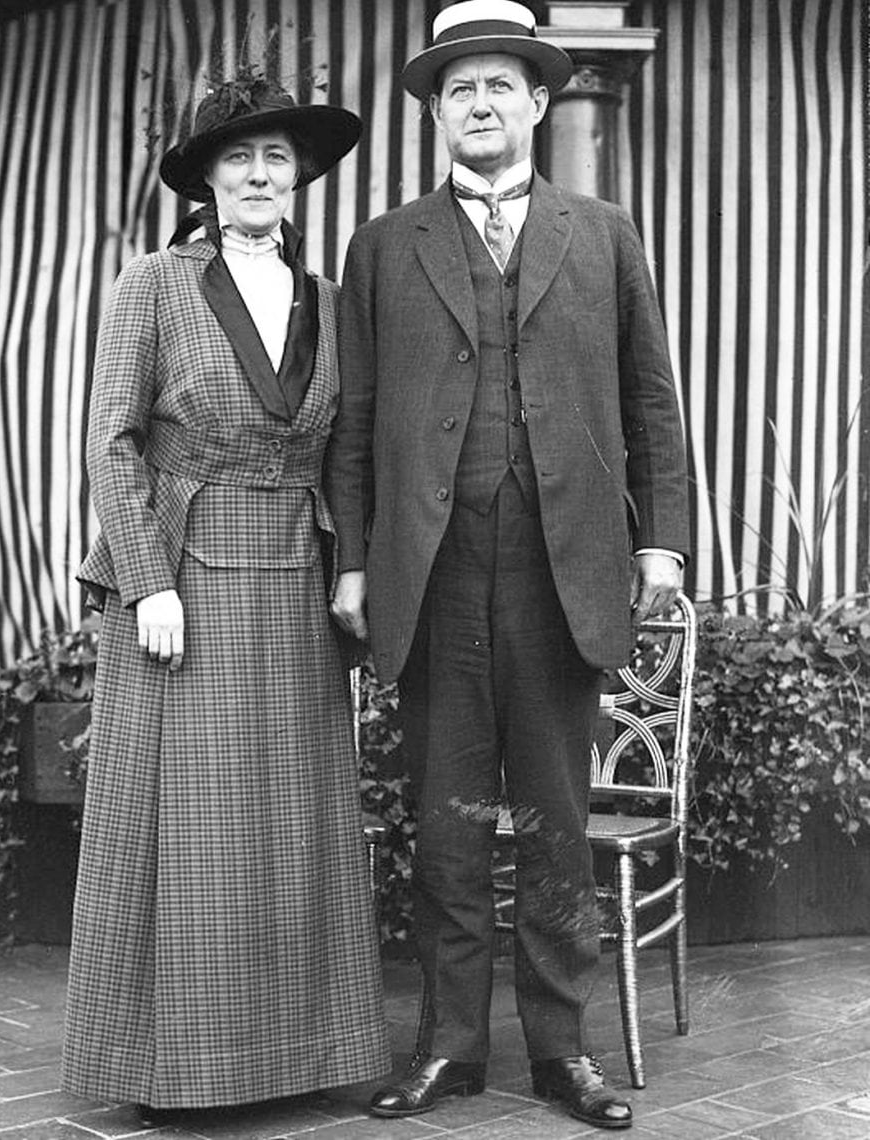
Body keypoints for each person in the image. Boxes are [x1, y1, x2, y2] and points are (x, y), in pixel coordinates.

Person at [326, 0, 690, 1131]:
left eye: (498, 85)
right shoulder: (385, 245)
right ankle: (446, 1050)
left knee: (549, 813)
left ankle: (560, 1054)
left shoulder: (606, 232)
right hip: (429, 570)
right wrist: (351, 562)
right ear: (436, 113)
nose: (478, 105)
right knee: (444, 818)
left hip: (562, 564)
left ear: (539, 101)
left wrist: (661, 540)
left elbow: (651, 400)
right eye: (456, 90)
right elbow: (358, 420)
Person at [61, 72, 391, 1124]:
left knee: (289, 822)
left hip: (295, 574)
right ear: (206, 174)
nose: (259, 174)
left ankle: (298, 1055)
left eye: (278, 158)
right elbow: (111, 444)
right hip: (185, 577)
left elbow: (345, 450)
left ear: (300, 178)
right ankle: (177, 1067)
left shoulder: (329, 301)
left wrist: (352, 572)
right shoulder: (151, 285)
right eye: (240, 156)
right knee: (192, 824)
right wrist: (148, 581)